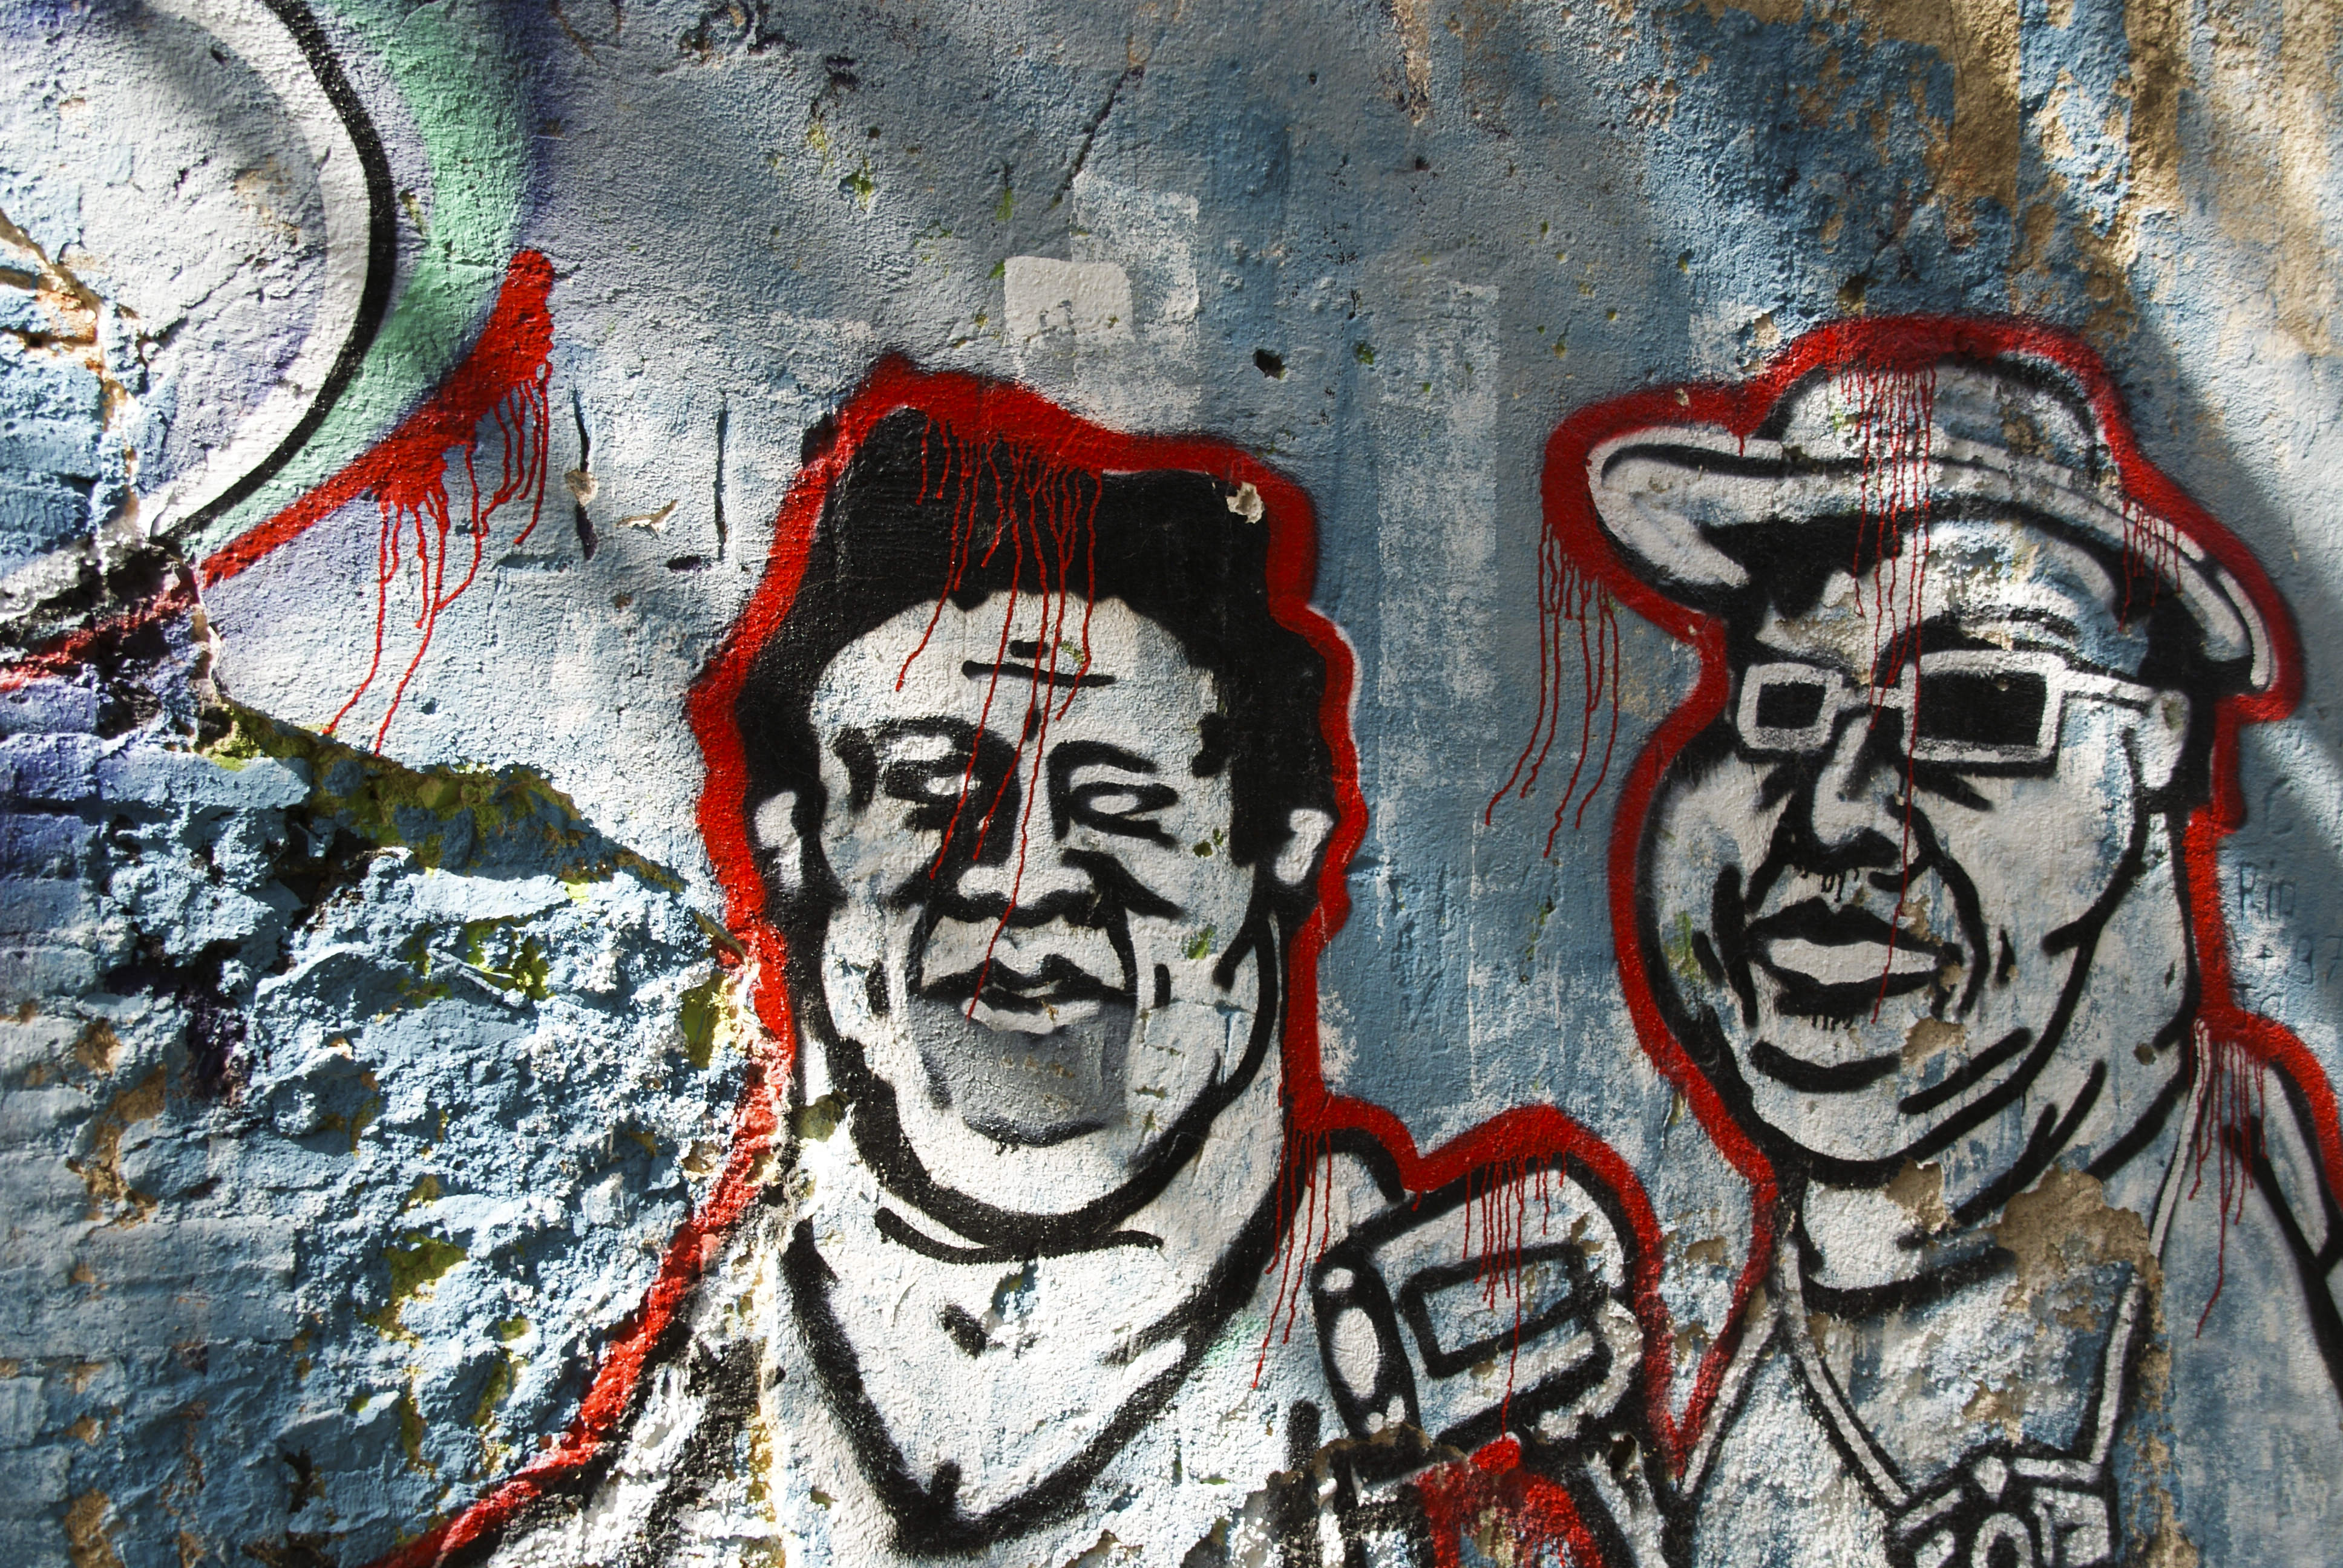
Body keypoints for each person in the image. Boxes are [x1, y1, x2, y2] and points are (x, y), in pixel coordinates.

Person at [463, 362, 1658, 1568]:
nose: (1023, 882)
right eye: (932, 790)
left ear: (1284, 852)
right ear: (791, 849)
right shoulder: (640, 1479)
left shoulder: (1484, 1413)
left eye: (1124, 803)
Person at [1540, 319, 2343, 1567]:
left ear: (2157, 742)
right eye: (1788, 700)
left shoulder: (2229, 1260)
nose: (1834, 809)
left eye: (1974, 705)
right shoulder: (1779, 1293)